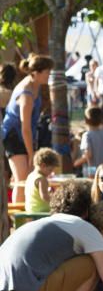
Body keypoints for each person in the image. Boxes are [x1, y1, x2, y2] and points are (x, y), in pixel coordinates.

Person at [2, 54, 54, 204]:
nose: (48, 76)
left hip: (23, 136)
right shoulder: (26, 93)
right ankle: (17, 220)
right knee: (22, 180)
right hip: (13, 136)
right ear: (36, 73)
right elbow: (25, 128)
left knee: (26, 176)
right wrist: (32, 154)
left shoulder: (35, 87)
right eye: (47, 73)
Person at [74, 107, 103, 177]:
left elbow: (88, 155)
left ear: (86, 121)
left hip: (92, 171)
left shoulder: (86, 135)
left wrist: (76, 163)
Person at [25, 147, 59, 213]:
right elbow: (44, 197)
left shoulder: (31, 176)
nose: (51, 173)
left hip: (31, 210)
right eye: (50, 170)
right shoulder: (42, 179)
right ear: (43, 165)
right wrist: (56, 200)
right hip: (41, 212)